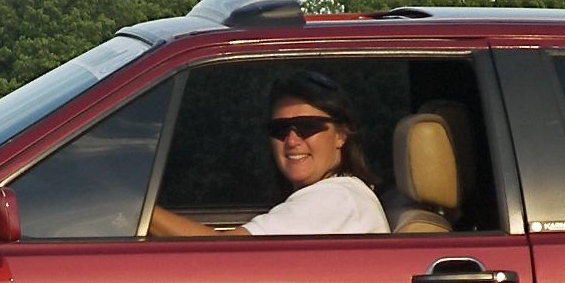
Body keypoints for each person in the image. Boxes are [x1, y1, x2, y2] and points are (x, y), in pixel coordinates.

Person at [148, 71, 390, 237]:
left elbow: (223, 254)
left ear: (341, 136)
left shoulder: (335, 199)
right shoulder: (345, 194)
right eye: (280, 129)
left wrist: (136, 208)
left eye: (307, 127)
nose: (292, 141)